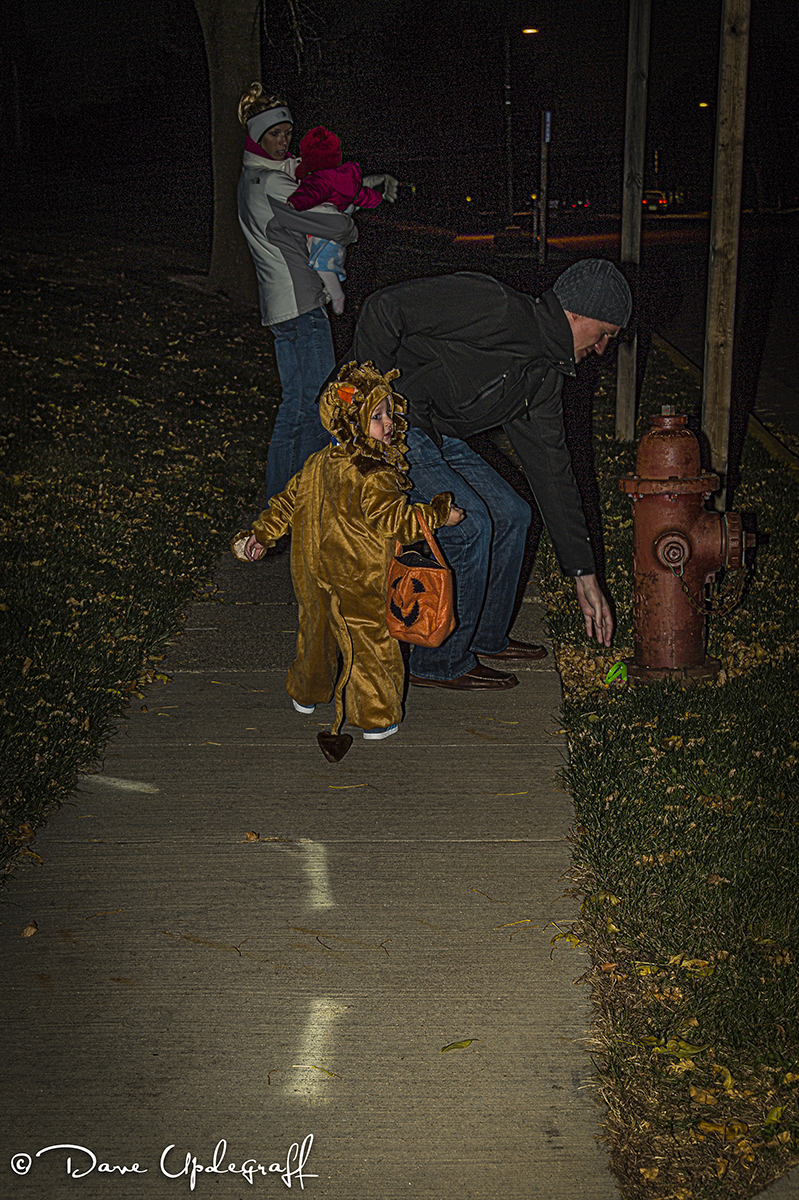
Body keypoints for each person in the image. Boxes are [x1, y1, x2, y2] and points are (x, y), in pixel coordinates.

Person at [344, 258, 632, 691]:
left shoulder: (543, 377)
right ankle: (437, 660)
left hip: (437, 432)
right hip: (396, 425)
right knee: (470, 525)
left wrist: (583, 572)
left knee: (513, 514)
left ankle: (484, 636)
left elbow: (554, 474)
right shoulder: (497, 307)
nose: (603, 347)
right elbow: (384, 309)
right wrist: (369, 408)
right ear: (577, 313)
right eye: (604, 332)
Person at [231, 362, 464, 763]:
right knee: (371, 640)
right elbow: (396, 520)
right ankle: (375, 717)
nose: (388, 423)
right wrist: (440, 514)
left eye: (389, 413)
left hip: (311, 571)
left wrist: (261, 535)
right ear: (351, 421)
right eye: (376, 416)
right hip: (361, 577)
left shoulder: (317, 462)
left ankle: (307, 693)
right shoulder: (375, 474)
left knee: (315, 631)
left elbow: (285, 503)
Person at [236, 84, 398, 508]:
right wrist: (352, 215)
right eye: (274, 134)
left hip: (283, 307)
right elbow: (333, 224)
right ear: (257, 136)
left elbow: (313, 178)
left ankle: (284, 506)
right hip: (301, 305)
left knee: (299, 404)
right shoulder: (272, 184)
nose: (283, 141)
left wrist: (363, 184)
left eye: (288, 132)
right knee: (313, 406)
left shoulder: (256, 176)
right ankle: (297, 505)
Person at [286, 126, 388, 315]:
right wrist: (376, 198)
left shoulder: (320, 180)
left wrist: (294, 202)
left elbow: (309, 194)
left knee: (322, 264)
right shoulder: (345, 178)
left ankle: (336, 295)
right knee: (321, 262)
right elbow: (360, 195)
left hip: (327, 228)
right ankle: (329, 290)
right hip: (337, 219)